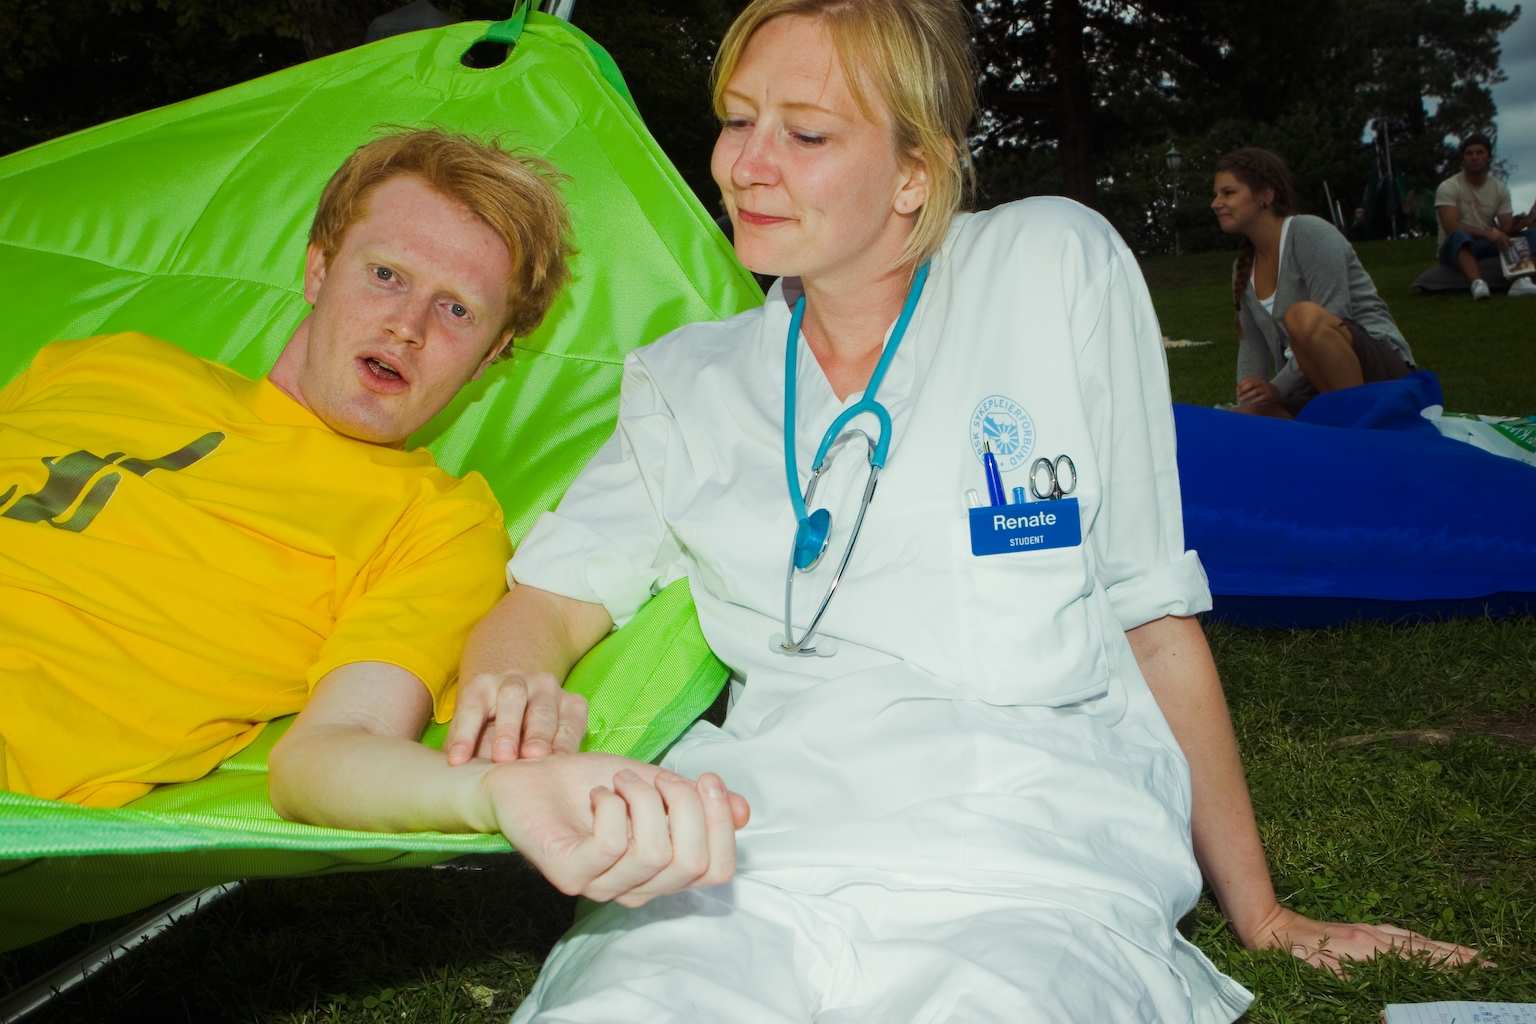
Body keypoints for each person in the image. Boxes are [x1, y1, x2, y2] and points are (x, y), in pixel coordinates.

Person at [451, 3, 1475, 1020]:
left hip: (1028, 851)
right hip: (750, 851)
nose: (746, 166)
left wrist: (1264, 913)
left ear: (917, 171)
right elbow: (551, 596)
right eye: (738, 119)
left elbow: (1151, 609)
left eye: (807, 134)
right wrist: (515, 677)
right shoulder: (687, 382)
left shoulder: (1047, 267)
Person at [0, 129, 744, 905]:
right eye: (386, 275)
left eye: (456, 309)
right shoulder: (103, 363)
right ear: (318, 269)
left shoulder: (435, 525)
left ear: (492, 357)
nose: (407, 326)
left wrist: (490, 793)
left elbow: (327, 752)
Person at [1211, 147, 1416, 420]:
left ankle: (1360, 427)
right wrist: (1249, 399)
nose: (1215, 203)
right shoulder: (1242, 267)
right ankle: (1340, 424)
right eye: (1216, 194)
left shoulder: (1308, 233)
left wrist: (1277, 388)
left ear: (1265, 195)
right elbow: (1252, 347)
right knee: (1239, 421)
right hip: (1311, 385)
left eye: (1228, 192)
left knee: (1302, 316)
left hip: (1377, 371)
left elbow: (1333, 317)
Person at [1436, 133, 1536, 300]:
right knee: (1459, 235)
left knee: (1531, 235)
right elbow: (1451, 226)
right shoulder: (1448, 187)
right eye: (1469, 153)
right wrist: (1489, 233)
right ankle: (1478, 284)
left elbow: (1505, 229)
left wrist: (1515, 226)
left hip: (1487, 244)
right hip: (1455, 246)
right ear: (1463, 159)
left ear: (1489, 158)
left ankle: (1522, 280)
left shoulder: (1499, 188)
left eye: (1480, 152)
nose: (1474, 157)